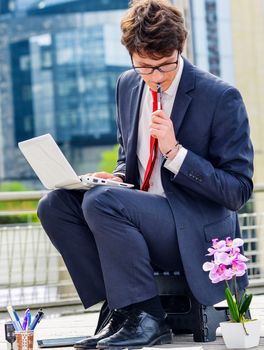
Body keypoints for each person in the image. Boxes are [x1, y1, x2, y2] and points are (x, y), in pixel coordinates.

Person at [37, 0, 254, 349]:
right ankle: (122, 310)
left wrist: (175, 152)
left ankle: (146, 316)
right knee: (55, 205)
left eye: (164, 66)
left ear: (179, 49)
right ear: (131, 56)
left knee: (102, 202)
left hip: (191, 229)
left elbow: (238, 190)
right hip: (138, 220)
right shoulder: (127, 86)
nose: (155, 77)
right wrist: (116, 178)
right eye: (144, 67)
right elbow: (130, 160)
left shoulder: (220, 97)